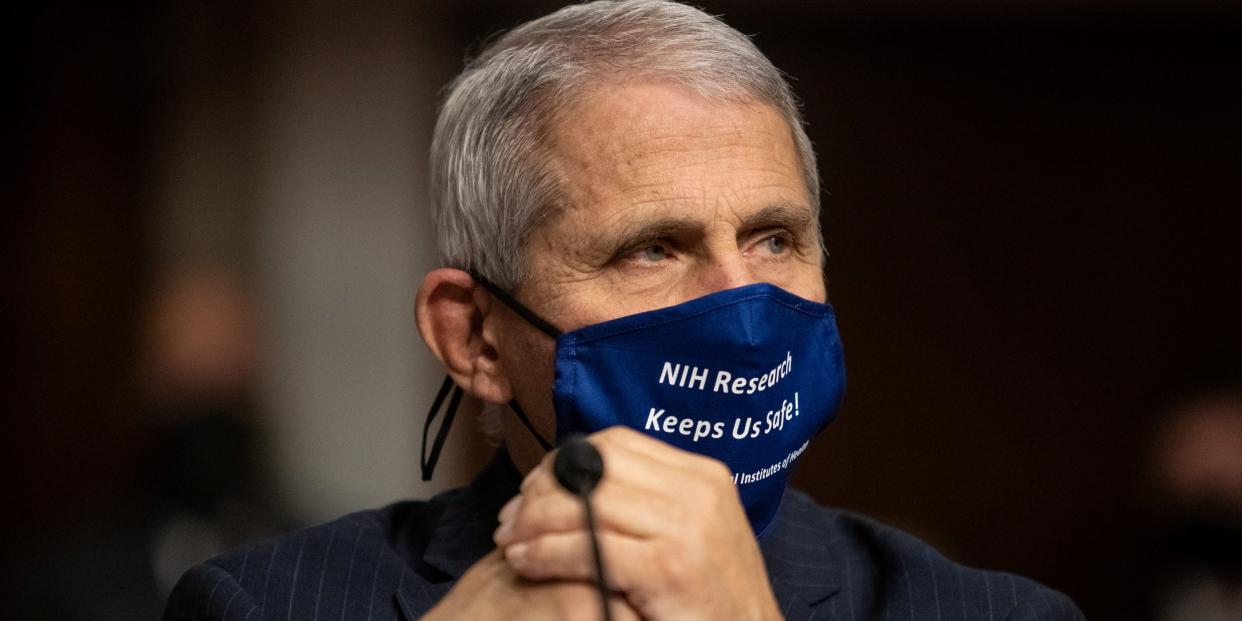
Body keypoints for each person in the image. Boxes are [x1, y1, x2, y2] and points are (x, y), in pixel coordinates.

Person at [165, 2, 1083, 619]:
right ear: (474, 335)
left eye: (774, 239)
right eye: (652, 248)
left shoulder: (996, 613)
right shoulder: (267, 604)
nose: (744, 304)